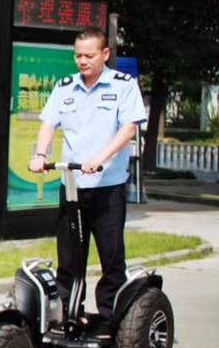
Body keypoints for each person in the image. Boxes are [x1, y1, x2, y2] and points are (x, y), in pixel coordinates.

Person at [29, 27, 148, 322]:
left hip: (107, 186)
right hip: (72, 185)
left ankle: (112, 319)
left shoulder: (123, 85)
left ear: (105, 54)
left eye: (89, 55)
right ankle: (70, 315)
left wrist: (100, 158)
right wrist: (40, 154)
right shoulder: (65, 87)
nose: (82, 61)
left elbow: (128, 129)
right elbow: (48, 124)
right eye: (78, 55)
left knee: (111, 256)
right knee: (69, 257)